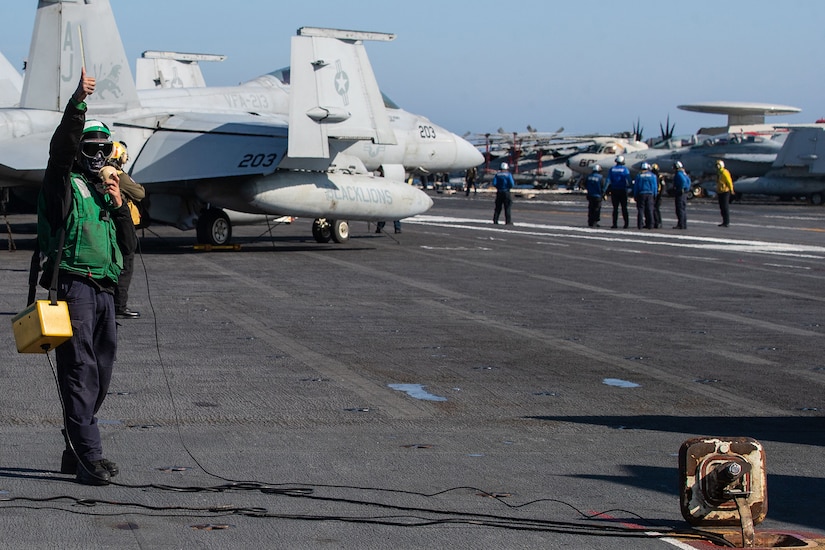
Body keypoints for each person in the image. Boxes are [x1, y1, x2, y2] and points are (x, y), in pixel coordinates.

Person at [37, 68, 130, 486]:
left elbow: (127, 246)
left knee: (102, 371)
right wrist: (77, 103)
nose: (95, 152)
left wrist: (118, 203)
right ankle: (91, 458)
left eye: (102, 146)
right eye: (88, 145)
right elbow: (61, 150)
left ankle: (75, 448)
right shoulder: (62, 184)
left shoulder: (102, 191)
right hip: (74, 286)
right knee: (80, 371)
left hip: (105, 289)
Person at [107, 141, 145, 319]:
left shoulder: (104, 174)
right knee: (126, 267)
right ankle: (119, 306)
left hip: (113, 226)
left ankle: (111, 304)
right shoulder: (120, 176)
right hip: (124, 227)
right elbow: (140, 193)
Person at [606, 155, 631, 228]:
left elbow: (608, 180)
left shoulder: (612, 169)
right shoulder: (625, 169)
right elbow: (628, 180)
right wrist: (631, 188)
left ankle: (614, 224)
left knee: (615, 208)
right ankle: (626, 224)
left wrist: (604, 190)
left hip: (614, 190)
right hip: (623, 190)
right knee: (624, 208)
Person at [633, 162, 658, 229]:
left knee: (641, 210)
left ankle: (640, 225)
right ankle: (651, 224)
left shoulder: (639, 176)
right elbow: (654, 186)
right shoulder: (653, 176)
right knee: (650, 209)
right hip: (650, 194)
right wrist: (655, 194)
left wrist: (635, 195)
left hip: (641, 194)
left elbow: (636, 187)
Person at [672, 161, 691, 229]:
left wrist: (680, 189)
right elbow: (688, 181)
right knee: (683, 209)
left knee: (679, 209)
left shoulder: (679, 174)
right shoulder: (684, 173)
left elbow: (683, 181)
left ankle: (681, 224)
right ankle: (683, 224)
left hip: (680, 193)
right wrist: (687, 189)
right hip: (684, 193)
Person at [716, 159, 734, 227]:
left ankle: (726, 222)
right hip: (720, 192)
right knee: (722, 208)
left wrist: (731, 190)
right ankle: (724, 222)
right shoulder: (719, 173)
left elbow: (729, 182)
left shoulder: (724, 172)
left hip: (725, 192)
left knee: (725, 207)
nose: (717, 166)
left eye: (718, 165)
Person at [651, 163, 665, 229]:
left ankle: (658, 222)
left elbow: (663, 186)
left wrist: (660, 195)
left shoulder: (659, 176)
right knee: (655, 209)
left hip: (657, 194)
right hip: (656, 194)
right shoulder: (656, 176)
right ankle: (656, 222)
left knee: (655, 209)